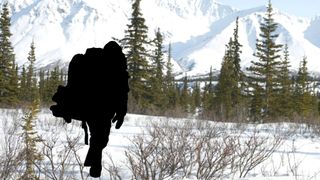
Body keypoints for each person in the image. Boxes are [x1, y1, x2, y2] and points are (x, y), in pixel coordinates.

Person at [50, 41, 129, 178]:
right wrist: (121, 112)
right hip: (103, 110)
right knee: (100, 139)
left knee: (98, 138)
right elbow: (122, 92)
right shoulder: (117, 66)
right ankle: (95, 169)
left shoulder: (90, 61)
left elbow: (121, 92)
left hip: (88, 107)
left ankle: (94, 166)